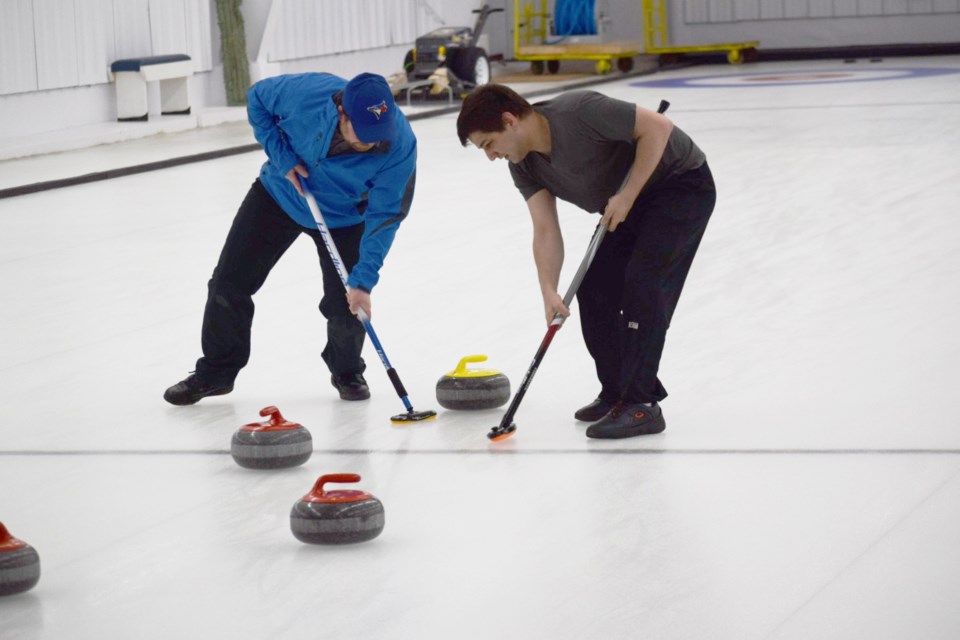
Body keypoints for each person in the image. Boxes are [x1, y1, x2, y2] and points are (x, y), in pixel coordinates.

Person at [456, 84, 715, 439]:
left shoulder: (579, 112)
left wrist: (627, 194)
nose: (491, 155)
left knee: (643, 282)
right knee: (594, 289)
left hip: (679, 185)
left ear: (509, 120)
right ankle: (616, 393)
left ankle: (641, 405)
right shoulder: (524, 166)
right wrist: (548, 289)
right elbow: (545, 230)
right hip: (626, 205)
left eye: (488, 143)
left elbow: (657, 127)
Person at [164, 72, 417, 405]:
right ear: (342, 111)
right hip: (280, 195)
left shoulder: (400, 144)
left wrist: (364, 281)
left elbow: (386, 216)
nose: (371, 143)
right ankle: (217, 373)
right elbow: (257, 99)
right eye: (363, 133)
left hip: (345, 215)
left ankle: (347, 370)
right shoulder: (308, 93)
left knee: (347, 302)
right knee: (229, 282)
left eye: (377, 134)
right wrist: (284, 159)